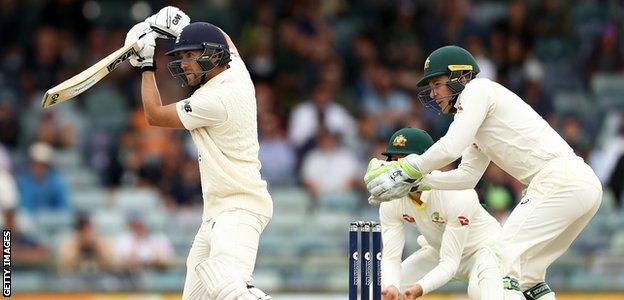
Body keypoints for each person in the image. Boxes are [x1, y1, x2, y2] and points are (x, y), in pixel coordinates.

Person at [365, 46, 603, 300]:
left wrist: (406, 169)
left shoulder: (478, 91)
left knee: (495, 263)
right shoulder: (478, 122)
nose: (433, 94)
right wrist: (419, 182)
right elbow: (467, 177)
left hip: (558, 180)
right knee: (528, 279)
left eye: (437, 84)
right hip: (580, 186)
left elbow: (450, 147)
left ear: (461, 77)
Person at [124, 6, 272, 299]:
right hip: (218, 211)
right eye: (181, 57)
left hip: (239, 208)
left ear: (213, 55)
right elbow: (226, 40)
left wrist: (145, 64)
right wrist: (183, 27)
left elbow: (154, 116)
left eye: (191, 55)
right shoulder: (237, 71)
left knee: (230, 289)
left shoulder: (215, 99)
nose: (184, 64)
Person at [372, 128, 505, 300]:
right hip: (439, 251)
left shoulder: (457, 194)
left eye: (405, 161)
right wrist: (391, 286)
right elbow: (391, 258)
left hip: (484, 251)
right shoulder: (392, 200)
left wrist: (419, 289)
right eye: (394, 161)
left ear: (429, 162)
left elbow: (450, 263)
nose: (399, 170)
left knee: (479, 294)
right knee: (381, 293)